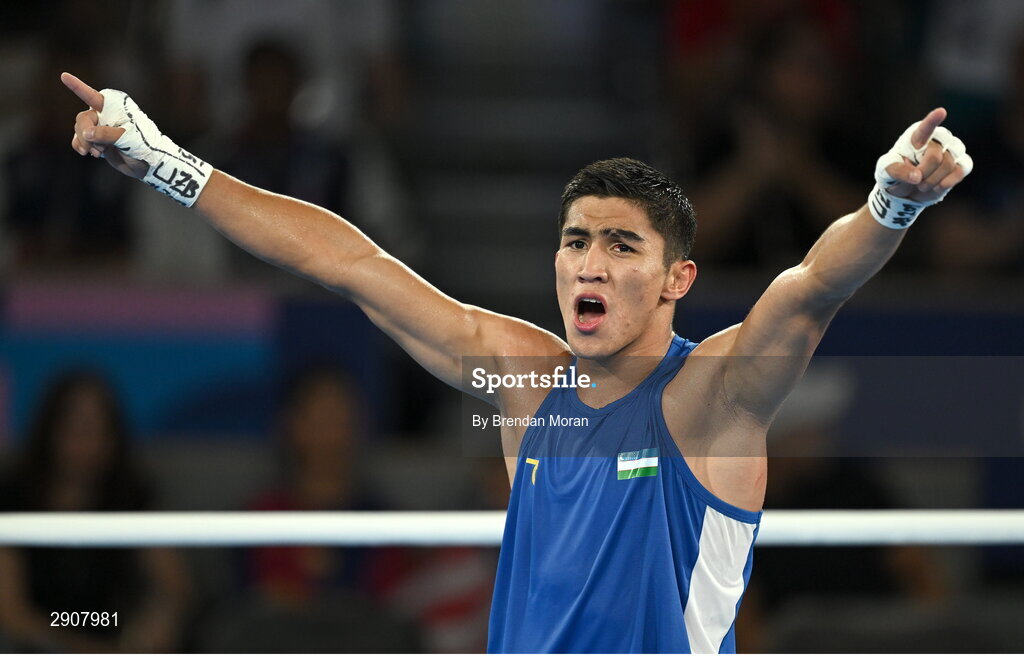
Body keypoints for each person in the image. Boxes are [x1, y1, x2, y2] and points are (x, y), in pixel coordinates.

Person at [59, 72, 971, 653]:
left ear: (675, 280)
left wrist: (891, 203)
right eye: (576, 241)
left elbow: (809, 288)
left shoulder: (713, 400)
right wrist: (161, 160)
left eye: (621, 246)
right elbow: (342, 262)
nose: (590, 263)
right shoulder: (523, 382)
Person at [0, 370, 189, 652]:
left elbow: (176, 585)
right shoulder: (13, 500)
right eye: (77, 427)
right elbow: (12, 612)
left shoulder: (129, 498)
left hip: (115, 636)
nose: (89, 442)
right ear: (50, 429)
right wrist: (87, 650)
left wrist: (159, 620)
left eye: (102, 429)